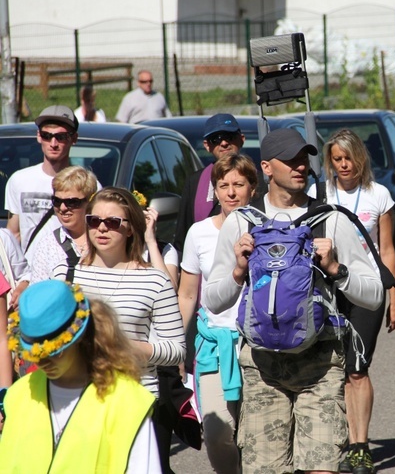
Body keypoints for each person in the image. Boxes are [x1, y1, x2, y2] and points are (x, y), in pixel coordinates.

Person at [203, 128, 384, 474]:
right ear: (267, 168)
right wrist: (239, 270)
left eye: (303, 159)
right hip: (262, 368)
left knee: (322, 469)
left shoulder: (330, 220)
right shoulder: (242, 221)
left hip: (321, 365)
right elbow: (213, 299)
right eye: (290, 161)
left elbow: (374, 295)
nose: (300, 167)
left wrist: (336, 269)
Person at [50, 187, 184, 472]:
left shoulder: (155, 281)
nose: (101, 228)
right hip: (77, 400)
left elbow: (176, 350)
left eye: (112, 222)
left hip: (137, 403)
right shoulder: (67, 275)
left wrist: (128, 348)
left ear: (131, 229)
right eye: (93, 220)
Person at [310, 129, 395, 474]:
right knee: (335, 370)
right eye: (337, 159)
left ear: (360, 158)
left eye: (349, 158)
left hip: (366, 290)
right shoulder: (321, 193)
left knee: (358, 369)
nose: (344, 165)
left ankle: (361, 447)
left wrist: (394, 297)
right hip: (329, 290)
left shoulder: (379, 196)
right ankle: (343, 442)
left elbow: (387, 250)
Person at [0, 279, 160, 472]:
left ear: (79, 337)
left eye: (55, 351)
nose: (43, 362)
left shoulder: (127, 402)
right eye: (33, 354)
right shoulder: (19, 396)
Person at [177, 153, 257, 473]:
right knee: (217, 430)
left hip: (257, 342)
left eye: (239, 184)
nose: (231, 192)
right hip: (213, 344)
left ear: (253, 188)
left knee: (255, 434)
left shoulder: (267, 229)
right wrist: (178, 344)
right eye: (223, 185)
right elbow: (187, 293)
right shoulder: (198, 233)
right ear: (215, 191)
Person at [4, 105, 79, 256]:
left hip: (69, 273)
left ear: (74, 139)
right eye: (47, 135)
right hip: (29, 275)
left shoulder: (88, 186)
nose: (53, 143)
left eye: (61, 137)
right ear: (38, 136)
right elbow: (13, 235)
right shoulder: (19, 180)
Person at [174, 113, 245, 253]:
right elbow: (182, 239)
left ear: (242, 139)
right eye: (216, 139)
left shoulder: (260, 179)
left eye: (229, 136)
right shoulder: (194, 182)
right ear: (207, 145)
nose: (223, 143)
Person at [28, 166, 98, 284]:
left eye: (72, 202)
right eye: (57, 201)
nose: (62, 208)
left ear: (90, 202)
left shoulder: (105, 239)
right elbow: (37, 294)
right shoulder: (47, 245)